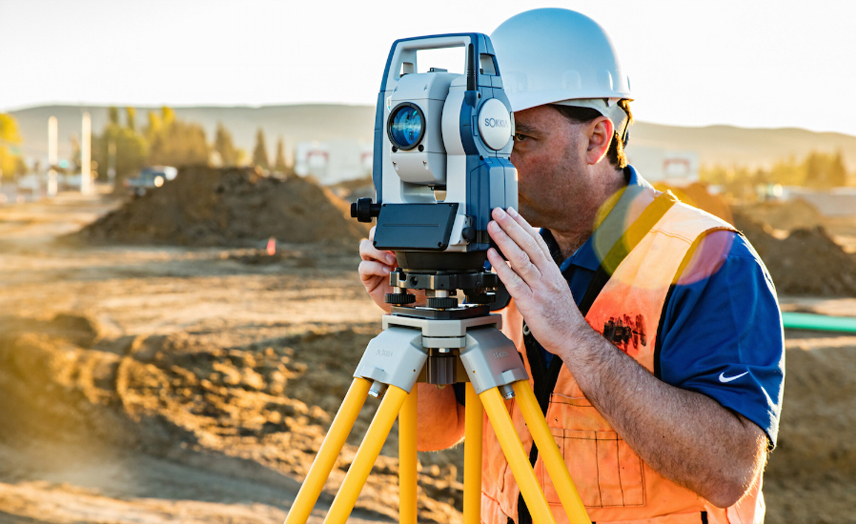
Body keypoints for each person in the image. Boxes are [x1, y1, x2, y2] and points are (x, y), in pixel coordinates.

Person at [359, 8, 784, 524]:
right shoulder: (504, 252)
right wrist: (418, 312)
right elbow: (434, 433)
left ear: (597, 140)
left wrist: (575, 339)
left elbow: (726, 471)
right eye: (483, 138)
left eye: (517, 138)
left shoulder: (706, 259)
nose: (494, 161)